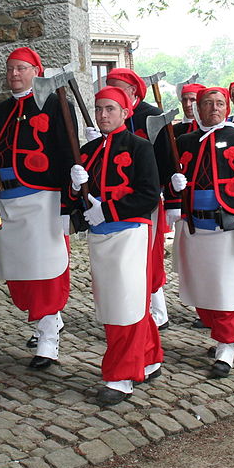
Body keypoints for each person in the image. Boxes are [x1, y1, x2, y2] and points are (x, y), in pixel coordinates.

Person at [68, 86, 163, 405]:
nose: (103, 114)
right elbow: (78, 200)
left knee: (125, 303)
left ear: (125, 112)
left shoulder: (140, 147)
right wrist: (74, 185)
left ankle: (120, 376)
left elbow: (148, 195)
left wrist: (107, 209)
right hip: (100, 236)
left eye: (110, 109)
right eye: (98, 109)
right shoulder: (89, 150)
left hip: (131, 232)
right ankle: (150, 356)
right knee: (118, 301)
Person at [0, 47, 77, 370]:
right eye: (10, 68)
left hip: (43, 201)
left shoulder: (55, 105)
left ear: (36, 71)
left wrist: (68, 205)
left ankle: (49, 336)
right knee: (19, 272)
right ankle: (42, 322)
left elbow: (69, 154)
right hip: (7, 203)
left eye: (21, 68)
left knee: (46, 271)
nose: (14, 74)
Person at [167, 86, 234, 377]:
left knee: (227, 287)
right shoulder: (184, 141)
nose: (214, 109)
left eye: (220, 103)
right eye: (207, 104)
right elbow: (171, 177)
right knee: (203, 286)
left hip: (228, 227)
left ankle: (227, 343)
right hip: (194, 226)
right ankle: (223, 334)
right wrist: (174, 190)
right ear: (198, 108)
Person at [104, 67, 170, 329]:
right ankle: (129, 308)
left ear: (132, 91)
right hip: (113, 204)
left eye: (117, 86)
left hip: (145, 198)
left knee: (149, 255)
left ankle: (158, 310)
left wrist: (169, 192)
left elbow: (165, 157)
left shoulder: (151, 116)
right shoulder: (106, 116)